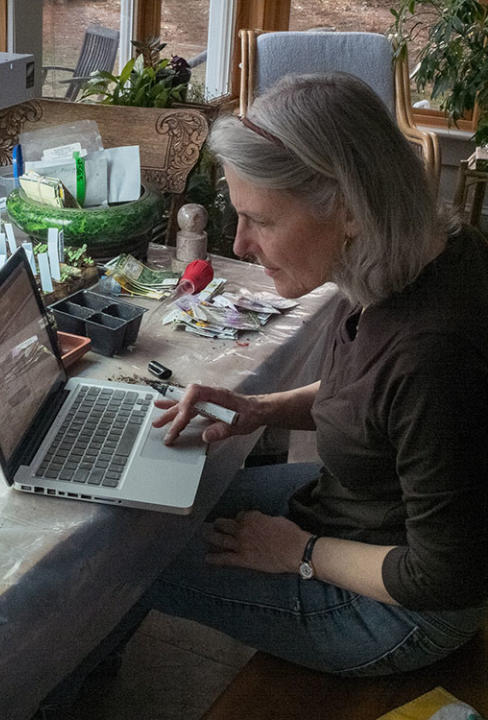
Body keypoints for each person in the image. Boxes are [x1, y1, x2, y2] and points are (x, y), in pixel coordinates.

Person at [135, 72, 488, 677]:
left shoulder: (436, 352)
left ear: (348, 210)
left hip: (403, 607)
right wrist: (262, 409)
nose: (240, 244)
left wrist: (299, 552)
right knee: (142, 518)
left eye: (262, 221)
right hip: (357, 511)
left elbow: (444, 576)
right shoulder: (411, 259)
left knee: (127, 565)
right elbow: (376, 396)